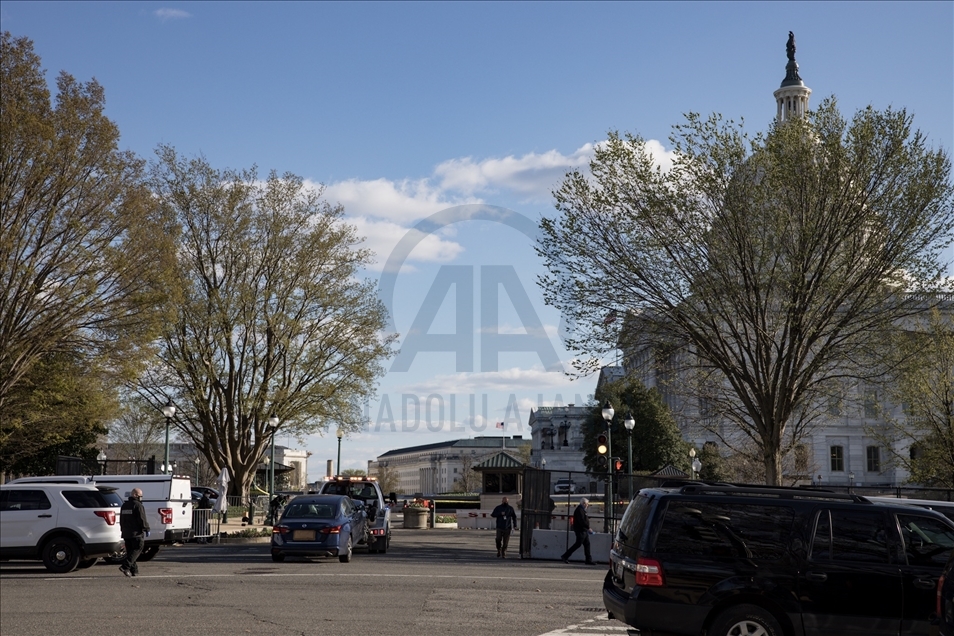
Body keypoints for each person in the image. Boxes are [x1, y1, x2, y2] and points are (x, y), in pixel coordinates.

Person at [119, 487, 150, 577]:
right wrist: (146, 528)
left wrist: (122, 529)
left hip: (126, 533)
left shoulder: (124, 505)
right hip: (136, 533)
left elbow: (121, 519)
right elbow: (142, 519)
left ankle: (134, 570)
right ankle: (125, 566)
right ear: (136, 495)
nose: (141, 498)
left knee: (131, 552)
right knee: (138, 548)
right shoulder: (138, 505)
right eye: (140, 496)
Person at [561, 497, 594, 565]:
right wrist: (588, 527)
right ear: (584, 503)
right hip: (580, 530)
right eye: (587, 504)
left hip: (583, 530)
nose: (587, 505)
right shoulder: (579, 510)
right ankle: (565, 556)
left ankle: (588, 560)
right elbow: (581, 521)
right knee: (578, 544)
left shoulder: (582, 510)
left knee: (587, 544)